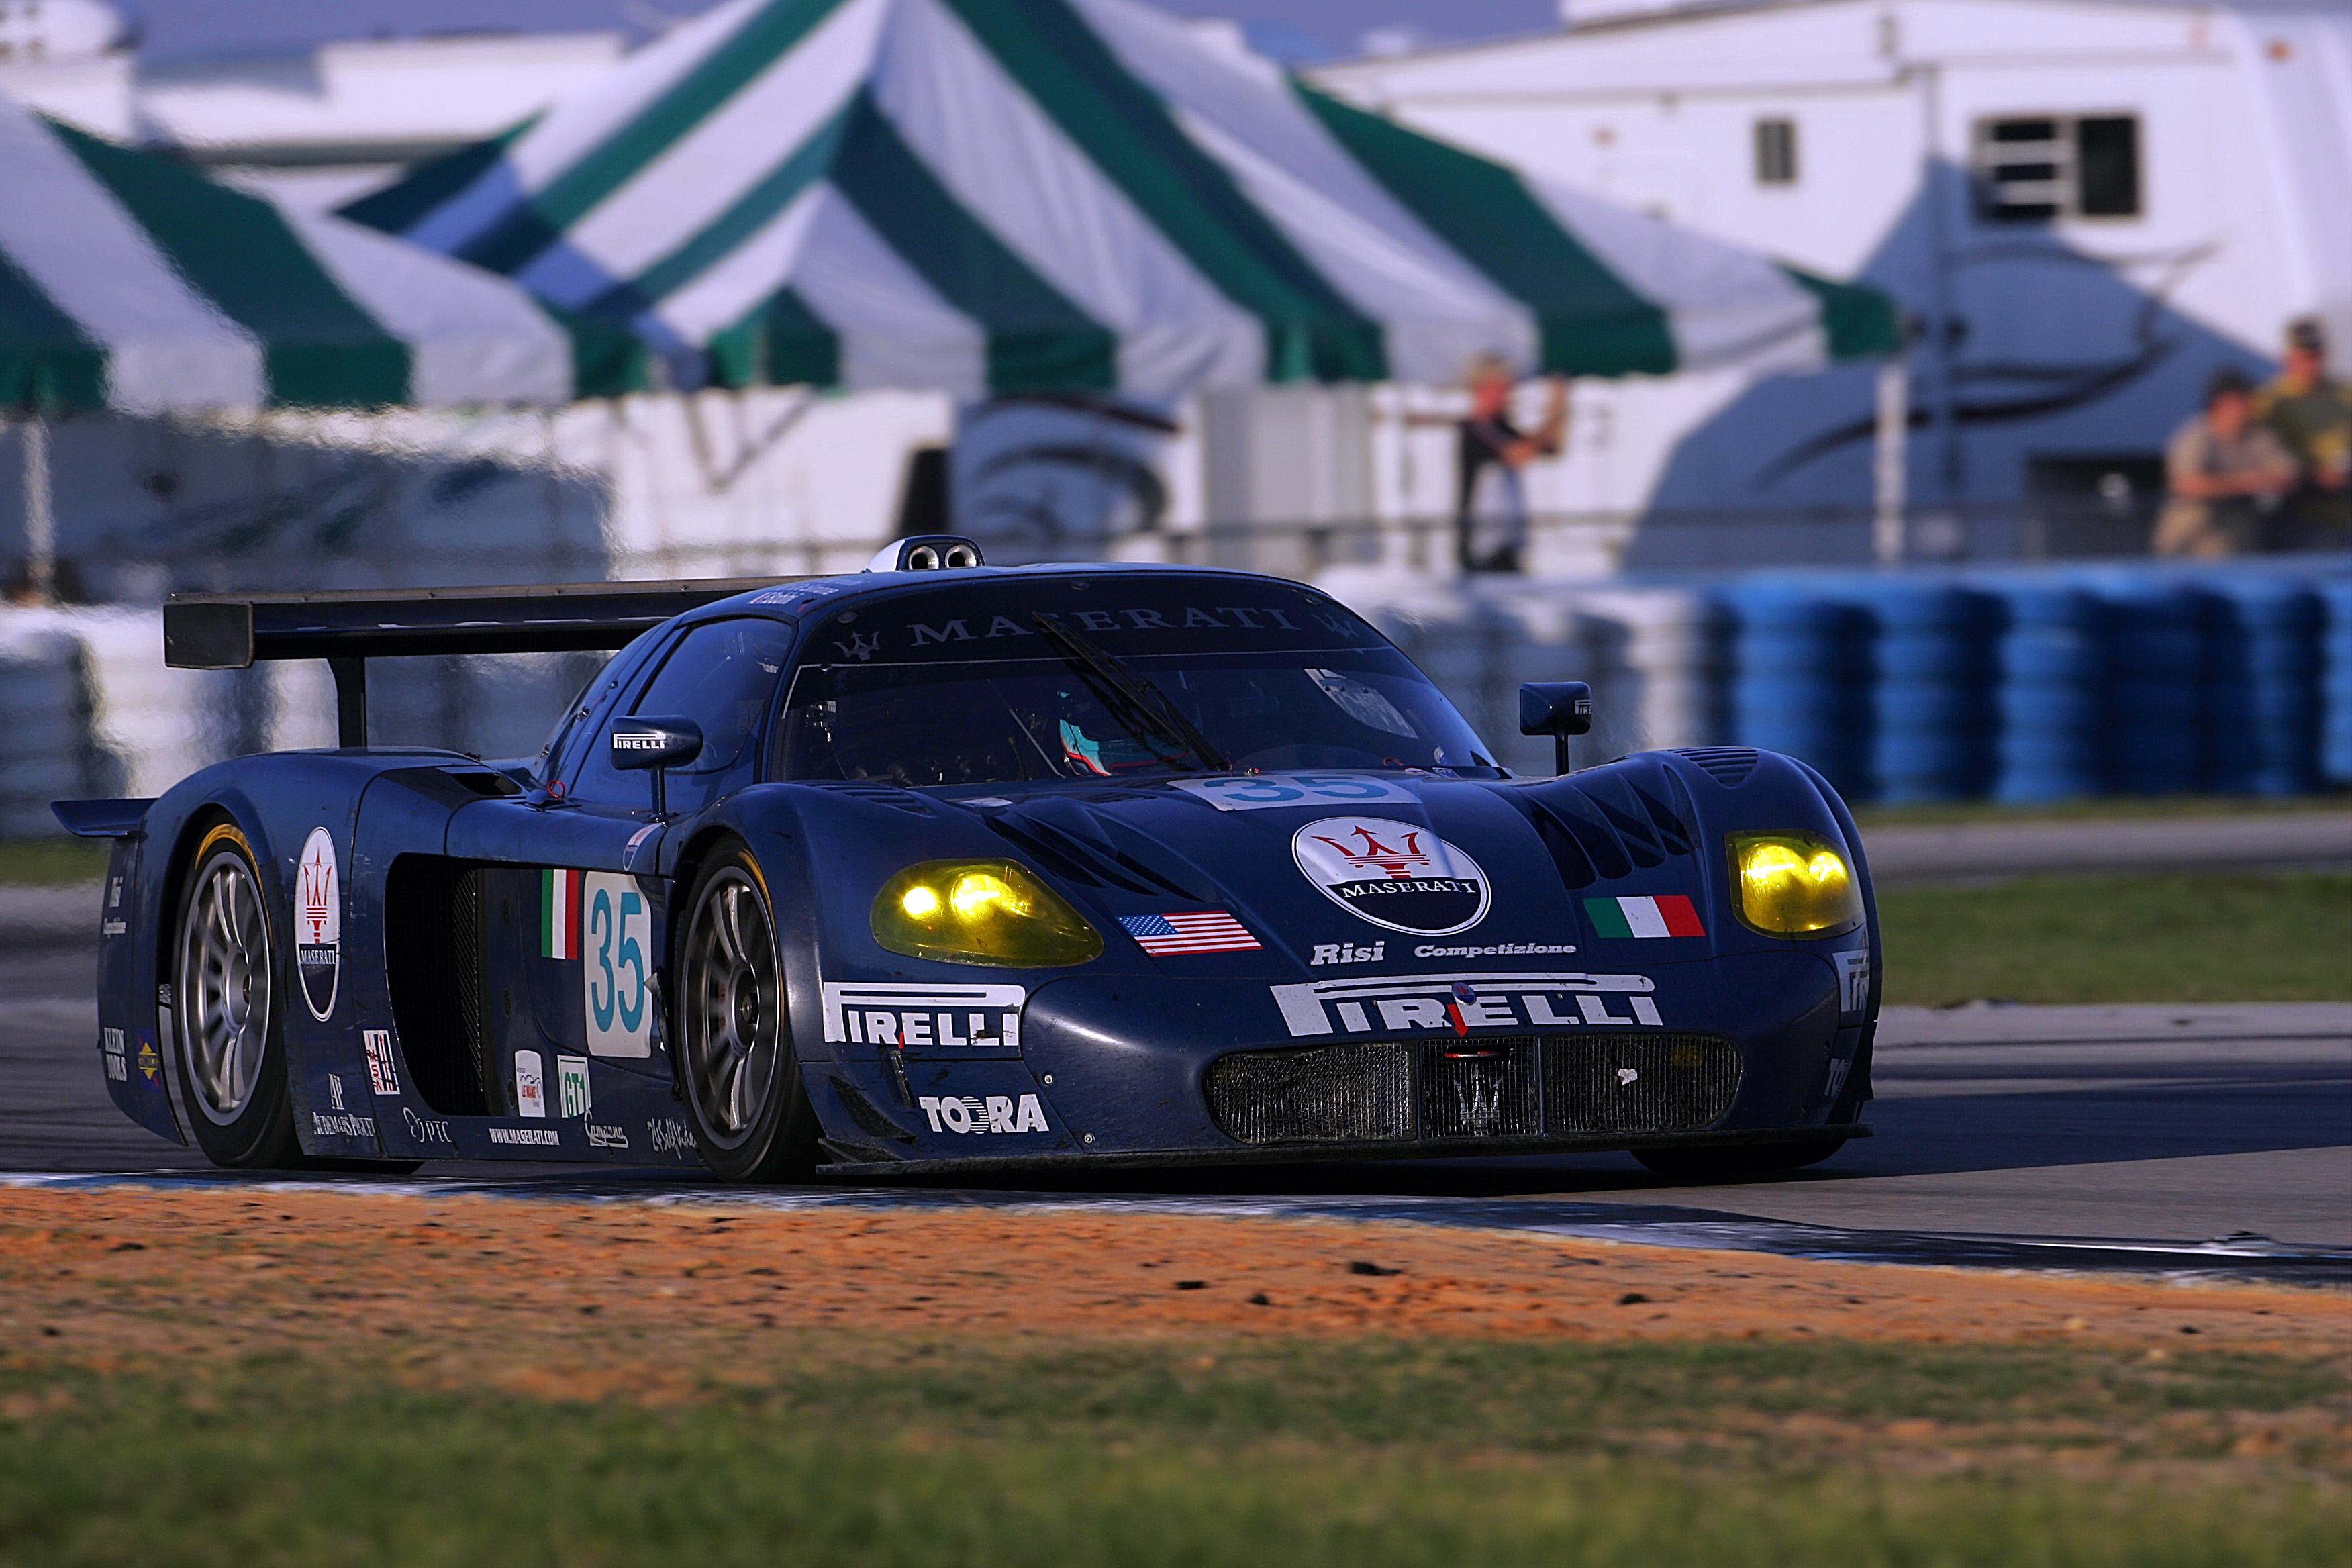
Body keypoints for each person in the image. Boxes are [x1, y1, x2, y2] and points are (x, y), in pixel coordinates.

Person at [2154, 367, 2296, 558]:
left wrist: (2261, 481)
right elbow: (2187, 484)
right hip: (2192, 536)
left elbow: (2289, 475)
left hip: (2239, 538)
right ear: (2220, 403)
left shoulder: (2258, 436)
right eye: (2240, 400)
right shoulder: (2196, 434)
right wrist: (2248, 482)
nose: (2249, 405)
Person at [1453, 356, 1567, 574]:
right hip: (1483, 548)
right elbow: (1520, 453)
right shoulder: (1477, 428)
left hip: (1506, 545)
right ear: (1481, 389)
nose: (1507, 393)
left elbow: (1551, 447)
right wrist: (1554, 408)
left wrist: (1559, 408)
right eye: (1499, 387)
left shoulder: (1500, 426)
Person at [2253, 315, 2352, 550]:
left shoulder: (2344, 395)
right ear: (2288, 360)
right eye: (2303, 358)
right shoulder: (2269, 402)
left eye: (2316, 357)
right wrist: (2312, 475)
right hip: (2299, 512)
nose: (2311, 365)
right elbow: (2257, 456)